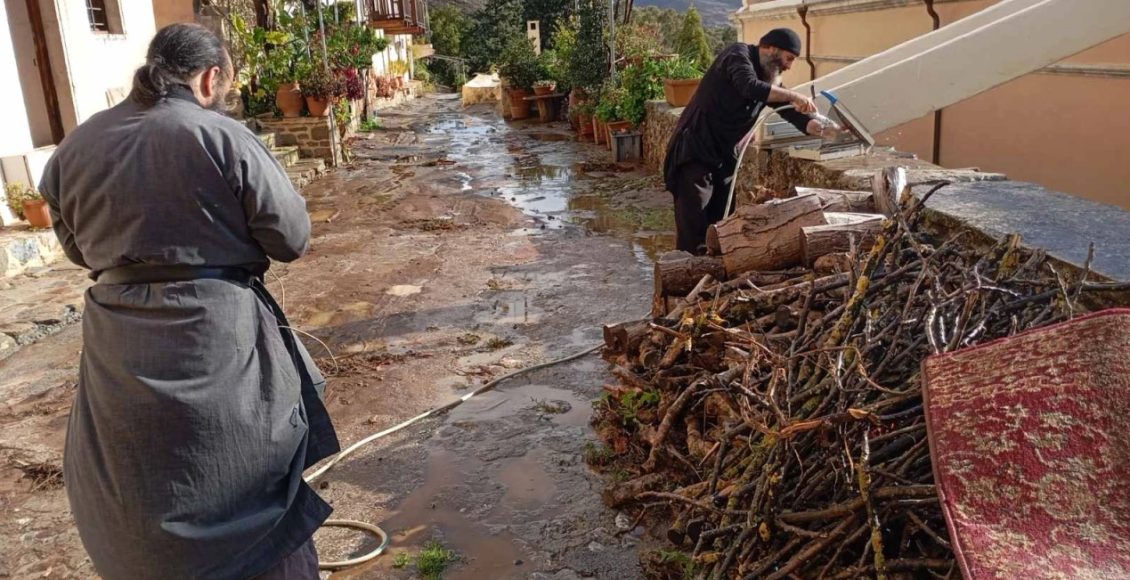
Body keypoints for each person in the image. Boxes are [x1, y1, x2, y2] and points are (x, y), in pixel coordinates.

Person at [39, 24, 338, 579]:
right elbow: (290, 238)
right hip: (215, 335)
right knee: (247, 483)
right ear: (211, 76)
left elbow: (79, 251)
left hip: (117, 340)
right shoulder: (219, 135)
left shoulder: (74, 146)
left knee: (141, 479)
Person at [664, 28, 837, 253]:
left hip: (724, 157)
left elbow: (788, 111)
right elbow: (749, 87)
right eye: (789, 58)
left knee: (720, 224)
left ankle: (713, 276)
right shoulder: (737, 55)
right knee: (694, 225)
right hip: (696, 149)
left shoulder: (766, 76)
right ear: (771, 48)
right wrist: (794, 96)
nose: (789, 66)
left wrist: (815, 127)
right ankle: (683, 279)